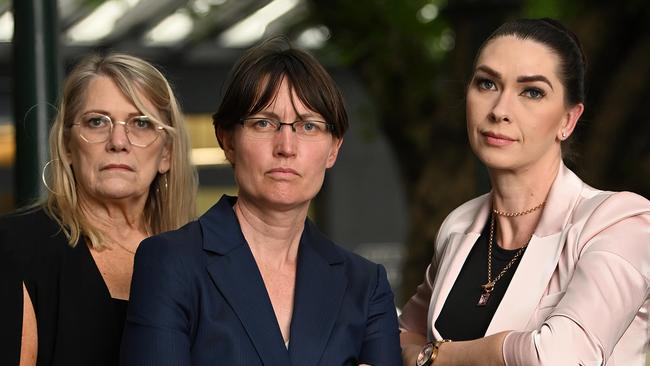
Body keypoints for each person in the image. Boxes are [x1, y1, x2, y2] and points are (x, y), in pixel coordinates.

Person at [120, 37, 402, 366]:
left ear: (333, 149)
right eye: (263, 123)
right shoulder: (171, 262)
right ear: (227, 141)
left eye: (308, 125)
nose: (286, 146)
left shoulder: (365, 285)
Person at [399, 18, 650, 366]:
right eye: (487, 83)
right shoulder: (459, 225)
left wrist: (433, 356)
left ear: (568, 120)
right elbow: (400, 333)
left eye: (532, 91)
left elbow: (557, 356)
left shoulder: (620, 221)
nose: (500, 110)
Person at [0, 53, 197, 366]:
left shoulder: (200, 260)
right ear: (67, 146)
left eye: (141, 123)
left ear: (167, 154)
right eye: (97, 122)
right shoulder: (14, 246)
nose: (118, 141)